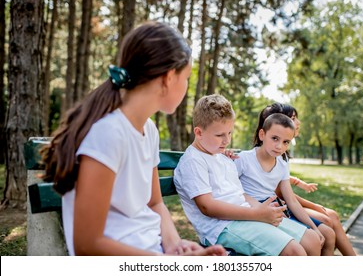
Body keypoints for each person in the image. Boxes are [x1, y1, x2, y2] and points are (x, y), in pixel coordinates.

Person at [39, 22, 226, 256]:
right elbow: (87, 245)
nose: (187, 86)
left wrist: (175, 245)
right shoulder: (108, 134)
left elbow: (155, 203)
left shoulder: (148, 130)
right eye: (186, 77)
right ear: (169, 78)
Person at [174, 94, 322, 256]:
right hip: (222, 227)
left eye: (229, 133)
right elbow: (207, 207)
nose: (226, 140)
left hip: (246, 216)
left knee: (312, 240)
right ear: (199, 132)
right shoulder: (193, 161)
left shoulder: (221, 157)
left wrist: (260, 208)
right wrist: (257, 214)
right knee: (295, 252)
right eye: (220, 135)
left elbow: (240, 194)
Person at [256, 103, 356, 256]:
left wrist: (298, 183)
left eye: (285, 142)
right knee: (328, 222)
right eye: (294, 118)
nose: (298, 122)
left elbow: (285, 189)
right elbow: (280, 193)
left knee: (330, 219)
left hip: (284, 205)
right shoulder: (260, 156)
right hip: (278, 207)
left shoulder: (281, 157)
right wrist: (313, 205)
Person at [234, 112, 336, 255]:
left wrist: (314, 227)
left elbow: (291, 201)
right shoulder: (243, 159)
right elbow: (231, 190)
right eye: (275, 138)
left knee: (316, 238)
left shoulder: (282, 163)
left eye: (285, 142)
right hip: (252, 209)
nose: (279, 146)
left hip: (275, 210)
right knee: (309, 244)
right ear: (262, 135)